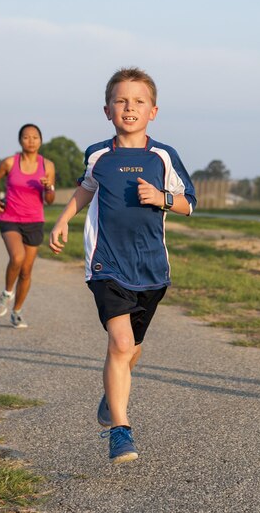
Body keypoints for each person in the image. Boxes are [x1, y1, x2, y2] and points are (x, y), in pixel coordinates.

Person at [50, 67, 196, 464]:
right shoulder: (98, 154)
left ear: (153, 111)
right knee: (120, 344)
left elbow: (189, 204)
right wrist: (63, 220)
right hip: (106, 264)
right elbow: (86, 188)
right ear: (107, 109)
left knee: (132, 351)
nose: (129, 107)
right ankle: (120, 430)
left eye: (138, 101)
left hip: (151, 268)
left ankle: (112, 395)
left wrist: (162, 198)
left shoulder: (163, 156)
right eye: (121, 101)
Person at [0, 124, 57, 329]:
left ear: (41, 141)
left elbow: (50, 200)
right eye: (26, 137)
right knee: (17, 257)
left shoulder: (48, 166)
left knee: (26, 271)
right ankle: (7, 293)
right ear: (20, 141)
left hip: (35, 220)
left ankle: (16, 311)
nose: (31, 141)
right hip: (10, 217)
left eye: (35, 137)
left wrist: (48, 187)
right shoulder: (10, 162)